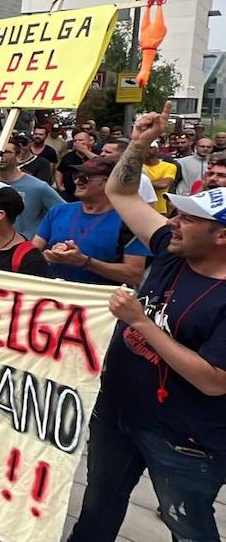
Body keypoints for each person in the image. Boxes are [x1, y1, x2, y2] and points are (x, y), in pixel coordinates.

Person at [68, 103, 226, 542]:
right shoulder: (171, 247)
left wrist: (141, 323)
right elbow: (121, 194)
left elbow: (215, 380)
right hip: (117, 413)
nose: (171, 222)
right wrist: (139, 142)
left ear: (221, 235)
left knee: (188, 525)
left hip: (184, 439)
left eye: (187, 218)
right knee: (98, 507)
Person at [31, 157, 149, 286]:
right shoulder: (58, 211)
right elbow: (32, 253)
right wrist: (48, 257)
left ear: (108, 183)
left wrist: (85, 262)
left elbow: (134, 275)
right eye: (76, 176)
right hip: (53, 296)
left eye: (85, 178)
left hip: (100, 302)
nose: (77, 182)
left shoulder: (129, 220)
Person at [55, 130, 96, 201]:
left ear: (89, 141)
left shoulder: (97, 153)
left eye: (81, 140)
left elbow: (102, 163)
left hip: (91, 194)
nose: (77, 142)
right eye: (75, 141)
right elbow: (59, 171)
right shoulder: (68, 156)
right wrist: (60, 186)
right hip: (69, 194)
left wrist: (85, 151)